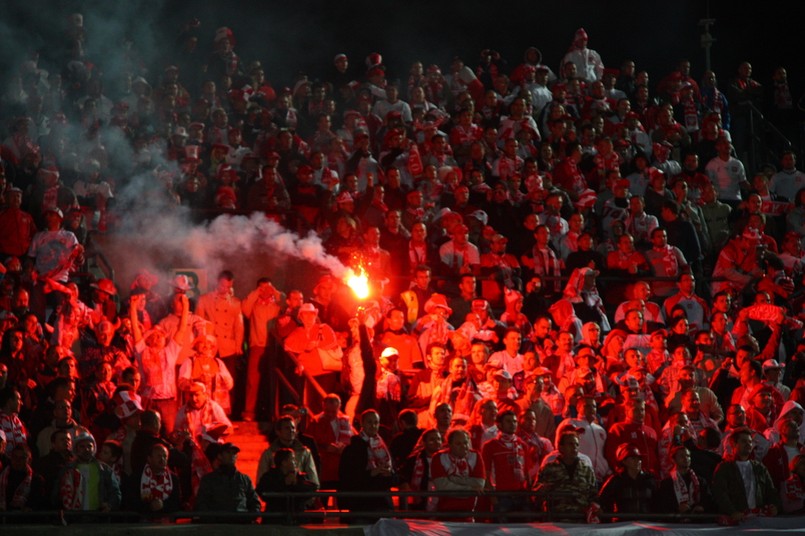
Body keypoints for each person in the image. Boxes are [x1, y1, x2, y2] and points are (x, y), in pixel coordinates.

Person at [130, 292, 189, 434]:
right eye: (153, 336)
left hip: (168, 401)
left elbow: (182, 329)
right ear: (148, 340)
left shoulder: (170, 351)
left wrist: (186, 307)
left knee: (169, 433)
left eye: (160, 336)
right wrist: (132, 307)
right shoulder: (143, 352)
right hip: (149, 400)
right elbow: (135, 330)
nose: (157, 338)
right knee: (149, 432)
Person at [195, 270, 244, 413]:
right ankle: (206, 412)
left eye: (228, 287)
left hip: (228, 347)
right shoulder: (205, 299)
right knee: (208, 381)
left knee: (228, 382)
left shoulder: (235, 302)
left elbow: (239, 325)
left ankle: (227, 415)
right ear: (217, 283)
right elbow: (199, 322)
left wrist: (238, 344)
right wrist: (201, 344)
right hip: (210, 347)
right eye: (223, 286)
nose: (225, 289)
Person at [711, 427, 781, 523]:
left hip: (759, 520)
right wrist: (732, 512)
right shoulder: (724, 468)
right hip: (735, 522)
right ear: (733, 444)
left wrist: (774, 506)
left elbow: (771, 491)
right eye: (744, 441)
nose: (748, 444)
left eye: (750, 442)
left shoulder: (759, 468)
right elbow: (720, 494)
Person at [337, 409, 394, 518]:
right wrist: (371, 473)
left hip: (383, 504)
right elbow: (347, 477)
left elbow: (394, 475)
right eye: (369, 422)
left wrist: (389, 474)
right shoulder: (352, 448)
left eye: (376, 422)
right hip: (361, 505)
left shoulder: (384, 448)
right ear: (362, 423)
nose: (373, 426)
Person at [534, 429, 600, 522]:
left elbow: (594, 494)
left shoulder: (586, 469)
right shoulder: (549, 469)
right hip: (556, 520)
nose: (574, 447)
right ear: (561, 447)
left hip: (581, 520)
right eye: (570, 444)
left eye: (576, 444)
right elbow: (536, 494)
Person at [481, 409, 529, 518]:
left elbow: (526, 472)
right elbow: (486, 473)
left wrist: (528, 494)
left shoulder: (523, 445)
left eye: (514, 421)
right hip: (501, 495)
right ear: (499, 425)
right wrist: (494, 499)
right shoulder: (490, 446)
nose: (512, 424)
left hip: (521, 494)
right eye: (508, 421)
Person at [195, 442, 261, 520]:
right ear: (220, 456)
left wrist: (248, 519)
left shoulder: (244, 479)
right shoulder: (209, 480)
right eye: (228, 452)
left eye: (234, 453)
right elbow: (202, 503)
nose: (231, 455)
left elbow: (254, 503)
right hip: (217, 526)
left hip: (240, 526)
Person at [430, 427, 486, 520]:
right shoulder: (439, 457)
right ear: (450, 445)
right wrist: (470, 489)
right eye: (458, 444)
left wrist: (452, 479)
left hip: (469, 513)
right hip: (445, 513)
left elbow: (479, 483)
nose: (463, 446)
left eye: (465, 443)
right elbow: (443, 486)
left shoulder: (475, 455)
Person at [59, 430, 121, 512]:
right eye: (82, 446)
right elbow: (59, 493)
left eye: (89, 446)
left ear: (94, 448)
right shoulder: (68, 469)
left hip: (98, 518)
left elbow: (115, 492)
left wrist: (109, 506)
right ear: (76, 449)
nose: (86, 449)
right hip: (74, 517)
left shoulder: (105, 470)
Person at [256, 447, 319, 522]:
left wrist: (296, 483)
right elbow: (262, 491)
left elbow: (313, 488)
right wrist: (284, 483)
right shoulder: (270, 476)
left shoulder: (300, 477)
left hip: (297, 519)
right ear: (284, 462)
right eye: (292, 459)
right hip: (275, 519)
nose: (295, 462)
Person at [256, 414, 319, 486]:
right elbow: (261, 482)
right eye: (287, 428)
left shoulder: (304, 452)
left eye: (293, 428)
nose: (291, 431)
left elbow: (313, 480)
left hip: (299, 494)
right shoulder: (269, 453)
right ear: (278, 432)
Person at [126, 443, 181, 515]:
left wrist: (162, 505)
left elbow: (177, 503)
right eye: (159, 456)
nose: (162, 459)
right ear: (149, 459)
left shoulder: (173, 479)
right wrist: (150, 506)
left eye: (165, 456)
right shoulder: (137, 477)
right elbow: (130, 502)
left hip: (166, 522)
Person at [656, 445, 713, 514]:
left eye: (688, 456)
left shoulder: (700, 481)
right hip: (676, 522)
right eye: (682, 456)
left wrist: (702, 507)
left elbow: (709, 500)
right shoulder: (667, 483)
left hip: (697, 521)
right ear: (673, 459)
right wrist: (677, 508)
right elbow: (663, 505)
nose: (686, 458)